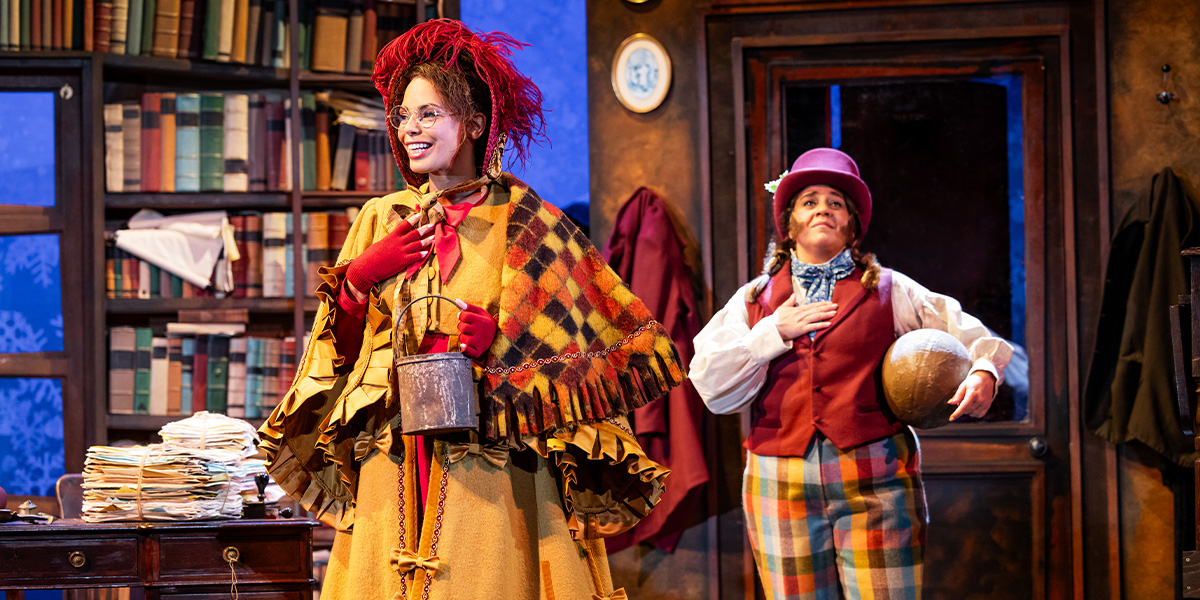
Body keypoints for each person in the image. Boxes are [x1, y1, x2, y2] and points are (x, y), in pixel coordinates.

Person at [258, 20, 683, 600]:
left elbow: (583, 352)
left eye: (429, 114)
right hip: (395, 451)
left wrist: (502, 342)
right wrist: (358, 280)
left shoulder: (532, 224)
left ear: (474, 123)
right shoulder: (381, 218)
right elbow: (338, 358)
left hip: (497, 457)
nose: (410, 129)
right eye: (403, 117)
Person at [690, 147, 1012, 599]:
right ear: (789, 222)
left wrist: (984, 372)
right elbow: (708, 381)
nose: (823, 207)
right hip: (779, 480)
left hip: (876, 478)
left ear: (852, 224)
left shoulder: (890, 289)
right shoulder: (755, 298)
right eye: (809, 200)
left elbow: (971, 334)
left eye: (835, 202)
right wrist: (771, 333)